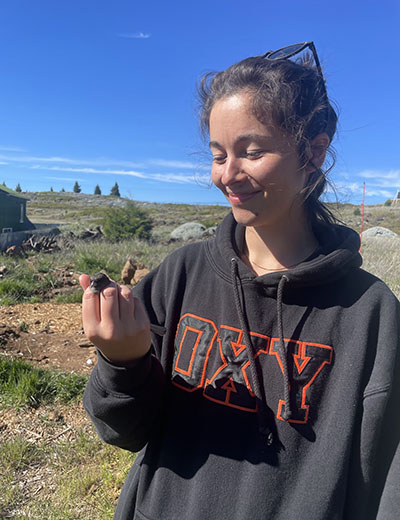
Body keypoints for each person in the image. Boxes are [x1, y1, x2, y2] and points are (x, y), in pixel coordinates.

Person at [79, 42, 400, 519]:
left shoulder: (369, 313)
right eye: (217, 155)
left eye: (251, 152)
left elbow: (383, 487)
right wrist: (123, 362)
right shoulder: (182, 275)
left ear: (313, 151)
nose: (227, 175)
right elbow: (122, 432)